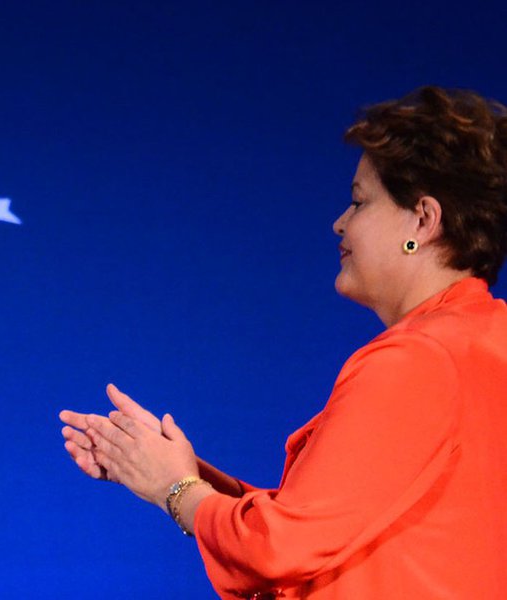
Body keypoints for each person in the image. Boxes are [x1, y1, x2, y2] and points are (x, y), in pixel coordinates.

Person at [60, 86, 507, 598]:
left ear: (423, 222)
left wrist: (174, 489)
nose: (340, 222)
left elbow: (279, 550)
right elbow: (329, 523)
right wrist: (168, 467)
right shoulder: (485, 339)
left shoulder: (420, 359)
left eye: (360, 201)